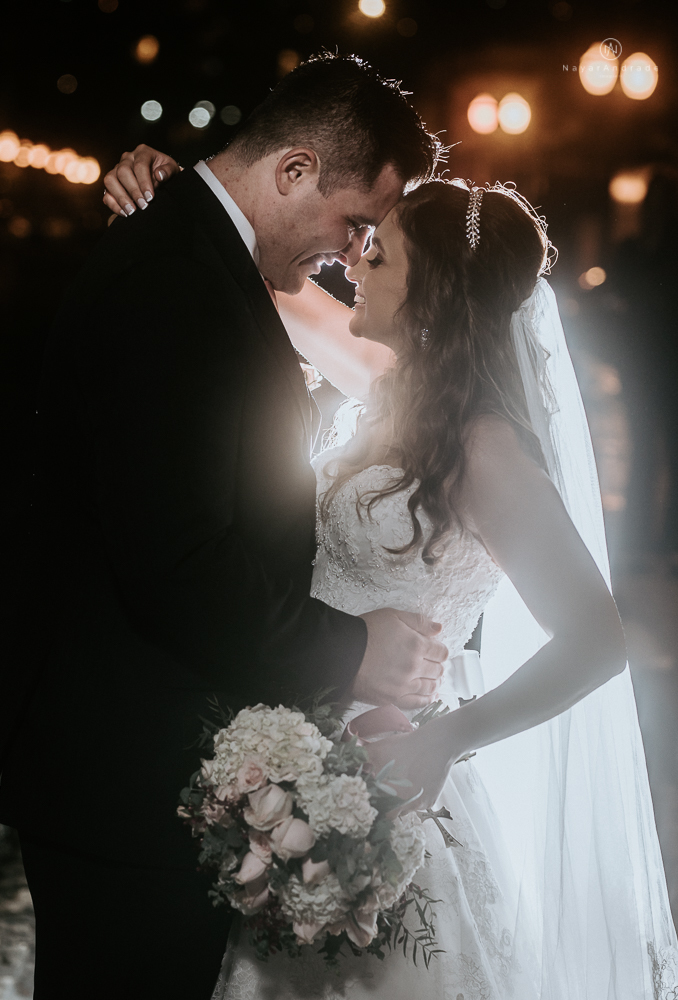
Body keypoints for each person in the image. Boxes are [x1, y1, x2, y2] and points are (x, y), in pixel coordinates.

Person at [106, 146, 678, 997]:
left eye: (378, 252)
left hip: (388, 791)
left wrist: (447, 737)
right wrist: (159, 195)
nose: (352, 259)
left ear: (435, 289)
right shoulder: (381, 382)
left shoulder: (483, 447)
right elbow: (248, 273)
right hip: (289, 761)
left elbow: (596, 639)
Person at [0, 54, 449, 1000]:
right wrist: (350, 649)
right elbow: (180, 563)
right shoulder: (173, 281)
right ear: (292, 171)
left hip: (144, 764)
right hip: (125, 778)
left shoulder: (193, 255)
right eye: (353, 223)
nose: (347, 255)